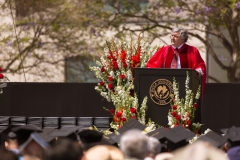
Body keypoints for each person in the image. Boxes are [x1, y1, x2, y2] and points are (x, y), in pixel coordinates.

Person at [146, 28, 206, 96]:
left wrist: (198, 70)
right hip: (166, 84)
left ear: (183, 39)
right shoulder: (164, 50)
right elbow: (153, 64)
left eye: (175, 36)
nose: (172, 38)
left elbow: (200, 65)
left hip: (184, 84)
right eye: (171, 36)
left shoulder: (191, 50)